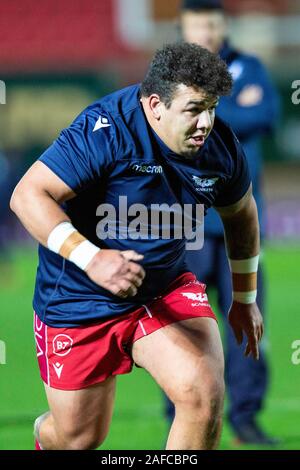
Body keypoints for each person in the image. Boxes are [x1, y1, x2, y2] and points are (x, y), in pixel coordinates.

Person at [10, 42, 264, 451]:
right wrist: (92, 259)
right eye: (194, 108)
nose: (206, 122)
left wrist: (245, 298)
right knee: (78, 438)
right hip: (80, 298)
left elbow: (242, 214)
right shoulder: (105, 130)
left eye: (212, 107)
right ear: (154, 105)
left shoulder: (219, 148)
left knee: (203, 393)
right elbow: (27, 195)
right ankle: (48, 434)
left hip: (164, 290)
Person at [164, 0, 279, 445]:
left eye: (212, 24)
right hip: (188, 221)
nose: (206, 32)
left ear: (223, 26)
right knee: (179, 325)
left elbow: (266, 115)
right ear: (184, 29)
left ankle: (246, 416)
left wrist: (199, 109)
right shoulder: (171, 72)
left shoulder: (250, 66)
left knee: (248, 322)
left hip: (241, 225)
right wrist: (233, 108)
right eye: (198, 25)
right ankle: (178, 410)